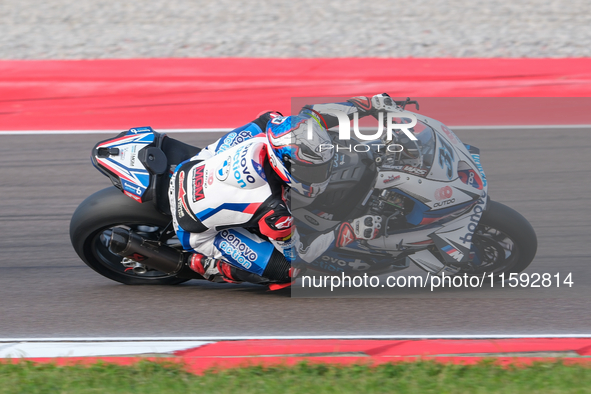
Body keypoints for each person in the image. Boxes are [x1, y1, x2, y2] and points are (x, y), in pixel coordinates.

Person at [168, 94, 398, 285]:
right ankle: (208, 265)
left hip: (193, 167)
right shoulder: (275, 211)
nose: (322, 176)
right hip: (194, 228)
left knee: (265, 117)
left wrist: (367, 105)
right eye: (313, 172)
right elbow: (301, 253)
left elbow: (314, 116)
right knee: (289, 272)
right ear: (285, 164)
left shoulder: (271, 128)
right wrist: (349, 230)